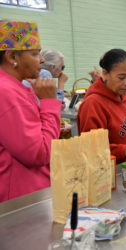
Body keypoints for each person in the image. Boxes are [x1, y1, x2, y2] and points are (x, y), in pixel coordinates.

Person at [0, 20, 61, 202]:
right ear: (12, 57)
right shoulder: (6, 92)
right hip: (21, 199)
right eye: (35, 54)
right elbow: (39, 153)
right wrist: (49, 102)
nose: (42, 60)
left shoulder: (14, 87)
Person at [78, 49, 126, 165]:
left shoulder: (125, 98)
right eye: (121, 77)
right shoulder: (93, 104)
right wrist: (125, 151)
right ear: (105, 74)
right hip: (111, 173)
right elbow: (91, 148)